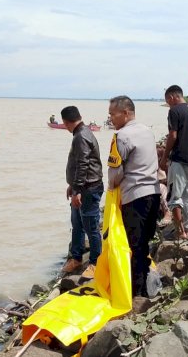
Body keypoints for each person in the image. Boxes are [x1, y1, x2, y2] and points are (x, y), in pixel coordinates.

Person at [107, 95, 161, 297]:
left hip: (135, 197)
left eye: (113, 114)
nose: (111, 118)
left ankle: (137, 295)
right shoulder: (148, 131)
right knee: (144, 244)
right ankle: (146, 286)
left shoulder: (121, 137)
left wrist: (111, 189)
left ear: (126, 113)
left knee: (135, 247)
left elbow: (116, 173)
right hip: (153, 194)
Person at [60, 106, 104, 279]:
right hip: (81, 187)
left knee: (91, 226)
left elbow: (83, 164)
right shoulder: (82, 133)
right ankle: (76, 258)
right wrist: (73, 186)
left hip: (88, 189)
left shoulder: (81, 136)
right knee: (77, 224)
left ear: (65, 123)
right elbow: (79, 164)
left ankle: (95, 262)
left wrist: (77, 190)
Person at [159, 85, 188, 240]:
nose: (168, 104)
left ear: (172, 97)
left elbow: (173, 136)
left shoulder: (174, 111)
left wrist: (164, 157)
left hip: (179, 159)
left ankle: (180, 231)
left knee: (175, 196)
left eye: (167, 101)